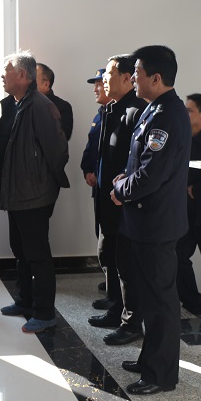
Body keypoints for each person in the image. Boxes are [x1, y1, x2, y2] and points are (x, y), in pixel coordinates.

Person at [111, 45, 191, 394]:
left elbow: (150, 176)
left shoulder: (167, 115)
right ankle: (149, 360)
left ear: (155, 78)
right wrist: (124, 180)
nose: (133, 78)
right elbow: (141, 164)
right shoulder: (155, 109)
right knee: (150, 297)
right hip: (145, 222)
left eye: (138, 73)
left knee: (160, 302)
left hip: (157, 223)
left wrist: (121, 190)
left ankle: (160, 374)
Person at [0, 52, 69, 333]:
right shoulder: (17, 104)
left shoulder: (40, 106)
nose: (2, 75)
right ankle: (24, 301)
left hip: (34, 195)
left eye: (6, 70)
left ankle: (45, 313)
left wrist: (42, 184)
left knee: (37, 254)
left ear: (23, 76)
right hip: (17, 193)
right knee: (20, 250)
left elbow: (58, 151)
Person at [87, 55, 147, 346]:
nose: (104, 81)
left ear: (126, 78)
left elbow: (137, 162)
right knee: (109, 256)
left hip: (125, 202)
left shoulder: (136, 111)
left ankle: (131, 322)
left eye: (109, 75)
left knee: (127, 266)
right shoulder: (111, 109)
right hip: (107, 199)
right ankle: (115, 309)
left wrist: (123, 189)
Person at [177, 93, 201, 316]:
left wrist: (196, 189)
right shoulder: (184, 138)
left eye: (189, 110)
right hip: (186, 211)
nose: (185, 114)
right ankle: (194, 303)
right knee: (178, 255)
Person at [80, 68, 110, 297]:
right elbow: (91, 147)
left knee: (110, 237)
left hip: (111, 187)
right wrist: (87, 170)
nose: (96, 89)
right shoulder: (100, 115)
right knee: (101, 233)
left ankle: (114, 288)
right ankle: (110, 281)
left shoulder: (118, 114)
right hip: (98, 184)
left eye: (100, 84)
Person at [37, 63, 74, 140]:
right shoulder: (21, 103)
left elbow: (63, 136)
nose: (28, 81)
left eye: (33, 78)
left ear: (46, 84)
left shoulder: (63, 106)